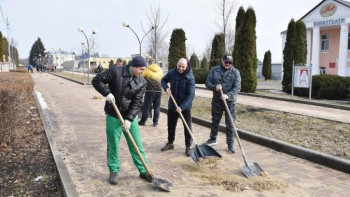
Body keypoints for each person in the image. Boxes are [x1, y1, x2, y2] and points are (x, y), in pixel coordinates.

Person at [92, 56, 152, 185]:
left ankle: (144, 170)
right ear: (134, 66)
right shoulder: (116, 71)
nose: (143, 72)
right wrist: (106, 93)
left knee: (136, 145)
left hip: (130, 117)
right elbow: (97, 80)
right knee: (113, 145)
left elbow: (137, 102)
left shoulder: (142, 82)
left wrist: (129, 119)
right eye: (141, 69)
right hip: (114, 115)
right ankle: (114, 170)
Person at [203, 54, 241, 153]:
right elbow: (207, 83)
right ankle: (213, 138)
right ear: (222, 60)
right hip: (217, 101)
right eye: (226, 62)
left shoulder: (235, 72)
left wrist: (228, 95)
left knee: (230, 124)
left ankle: (230, 144)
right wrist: (215, 87)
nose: (228, 64)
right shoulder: (214, 70)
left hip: (230, 103)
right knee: (215, 120)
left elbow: (237, 88)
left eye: (230, 62)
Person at [160, 58, 195, 157]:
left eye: (183, 67)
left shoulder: (190, 77)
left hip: (185, 107)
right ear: (177, 64)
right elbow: (163, 80)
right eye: (179, 66)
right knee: (171, 125)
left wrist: (182, 107)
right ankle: (170, 143)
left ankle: (188, 146)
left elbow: (191, 95)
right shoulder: (171, 73)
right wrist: (166, 88)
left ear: (186, 66)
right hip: (172, 104)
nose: (180, 68)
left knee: (187, 127)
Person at [138, 59, 163, 127]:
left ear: (149, 64)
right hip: (159, 91)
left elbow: (141, 77)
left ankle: (143, 121)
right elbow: (162, 78)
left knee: (147, 106)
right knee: (157, 107)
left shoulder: (147, 69)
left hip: (150, 91)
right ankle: (155, 122)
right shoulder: (160, 70)